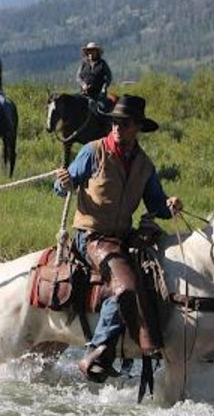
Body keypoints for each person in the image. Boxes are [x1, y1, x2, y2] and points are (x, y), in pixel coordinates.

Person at [52, 94, 182, 382]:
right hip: (91, 236)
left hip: (122, 237)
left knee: (155, 275)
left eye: (124, 124)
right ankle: (97, 353)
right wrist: (63, 183)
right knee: (125, 286)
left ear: (137, 127)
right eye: (114, 123)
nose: (117, 128)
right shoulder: (92, 151)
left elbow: (156, 204)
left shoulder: (144, 165)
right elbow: (63, 186)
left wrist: (170, 204)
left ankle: (149, 344)